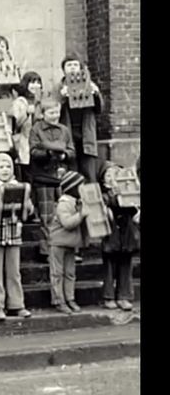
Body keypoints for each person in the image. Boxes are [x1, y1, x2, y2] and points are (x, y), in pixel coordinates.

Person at [0, 153, 33, 321]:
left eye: (8, 166)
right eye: (1, 167)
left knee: (14, 271)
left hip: (13, 233)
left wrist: (27, 206)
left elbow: (29, 209)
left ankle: (17, 304)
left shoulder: (19, 186)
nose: (5, 170)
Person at [29, 98, 75, 263]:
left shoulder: (64, 130)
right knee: (46, 215)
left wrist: (65, 155)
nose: (55, 115)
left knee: (64, 212)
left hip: (62, 177)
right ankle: (47, 250)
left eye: (57, 112)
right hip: (43, 176)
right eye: (51, 112)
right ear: (43, 114)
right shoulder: (36, 129)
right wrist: (47, 154)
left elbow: (72, 150)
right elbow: (33, 151)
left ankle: (66, 248)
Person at [55, 52, 104, 183]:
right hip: (68, 133)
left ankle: (90, 199)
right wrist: (61, 97)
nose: (72, 68)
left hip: (86, 133)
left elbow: (99, 110)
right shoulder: (58, 88)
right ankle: (73, 199)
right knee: (71, 170)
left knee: (88, 170)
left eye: (75, 65)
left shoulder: (89, 85)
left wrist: (96, 94)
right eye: (68, 65)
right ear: (63, 69)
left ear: (80, 68)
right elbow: (51, 111)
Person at [98, 162, 139, 311]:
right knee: (109, 266)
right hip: (111, 232)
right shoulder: (102, 194)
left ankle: (124, 296)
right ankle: (108, 296)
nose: (112, 177)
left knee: (125, 264)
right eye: (108, 175)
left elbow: (133, 207)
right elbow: (104, 206)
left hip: (126, 231)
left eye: (116, 174)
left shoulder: (129, 191)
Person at [48, 171, 89, 314]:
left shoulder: (77, 202)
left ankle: (70, 298)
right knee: (57, 273)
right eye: (81, 186)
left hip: (71, 243)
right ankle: (59, 300)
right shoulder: (64, 203)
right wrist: (81, 215)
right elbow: (67, 223)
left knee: (70, 273)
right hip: (58, 243)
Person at [10, 71, 44, 183]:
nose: (36, 85)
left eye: (38, 82)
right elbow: (16, 124)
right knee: (27, 176)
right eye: (32, 82)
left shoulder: (41, 101)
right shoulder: (19, 102)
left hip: (40, 144)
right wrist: (27, 113)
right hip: (24, 143)